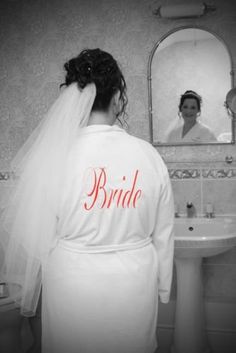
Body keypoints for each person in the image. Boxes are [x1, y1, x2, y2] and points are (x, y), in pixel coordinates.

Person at [0, 48, 174, 353]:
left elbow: (35, 236)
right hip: (132, 281)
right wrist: (163, 288)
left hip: (71, 280)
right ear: (118, 97)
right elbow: (164, 234)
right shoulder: (148, 155)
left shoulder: (55, 157)